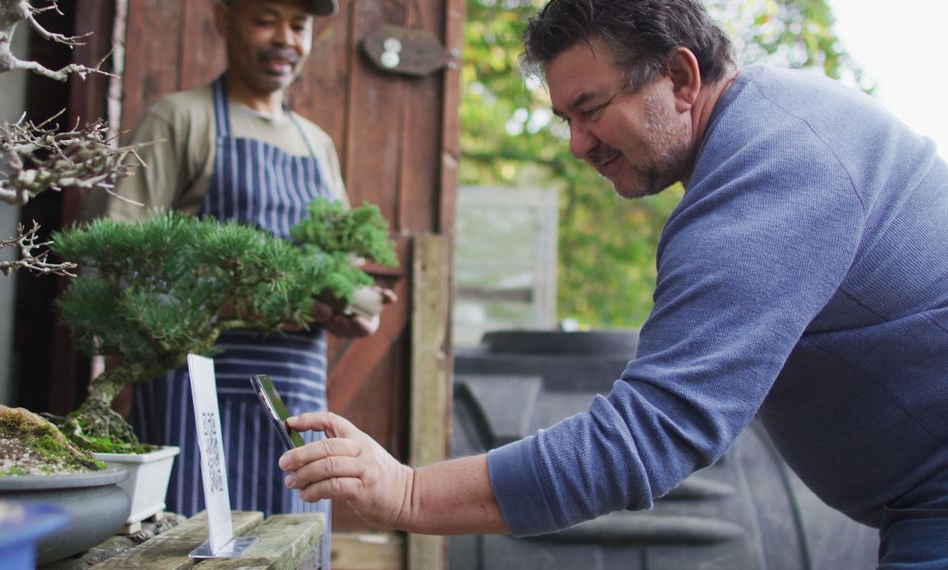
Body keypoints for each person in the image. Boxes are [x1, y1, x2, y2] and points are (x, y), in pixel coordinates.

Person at [277, 0, 948, 567]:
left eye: (591, 108)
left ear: (681, 78)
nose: (577, 144)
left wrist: (407, 494)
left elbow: (647, 436)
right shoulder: (771, 130)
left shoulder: (768, 172)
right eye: (565, 118)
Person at [81, 0, 390, 566]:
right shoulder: (179, 120)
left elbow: (347, 272)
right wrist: (251, 298)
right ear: (224, 20)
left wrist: (358, 306)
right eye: (266, 19)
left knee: (292, 545)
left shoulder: (316, 144)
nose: (286, 39)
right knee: (191, 548)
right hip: (193, 386)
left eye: (299, 26)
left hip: (293, 394)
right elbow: (117, 261)